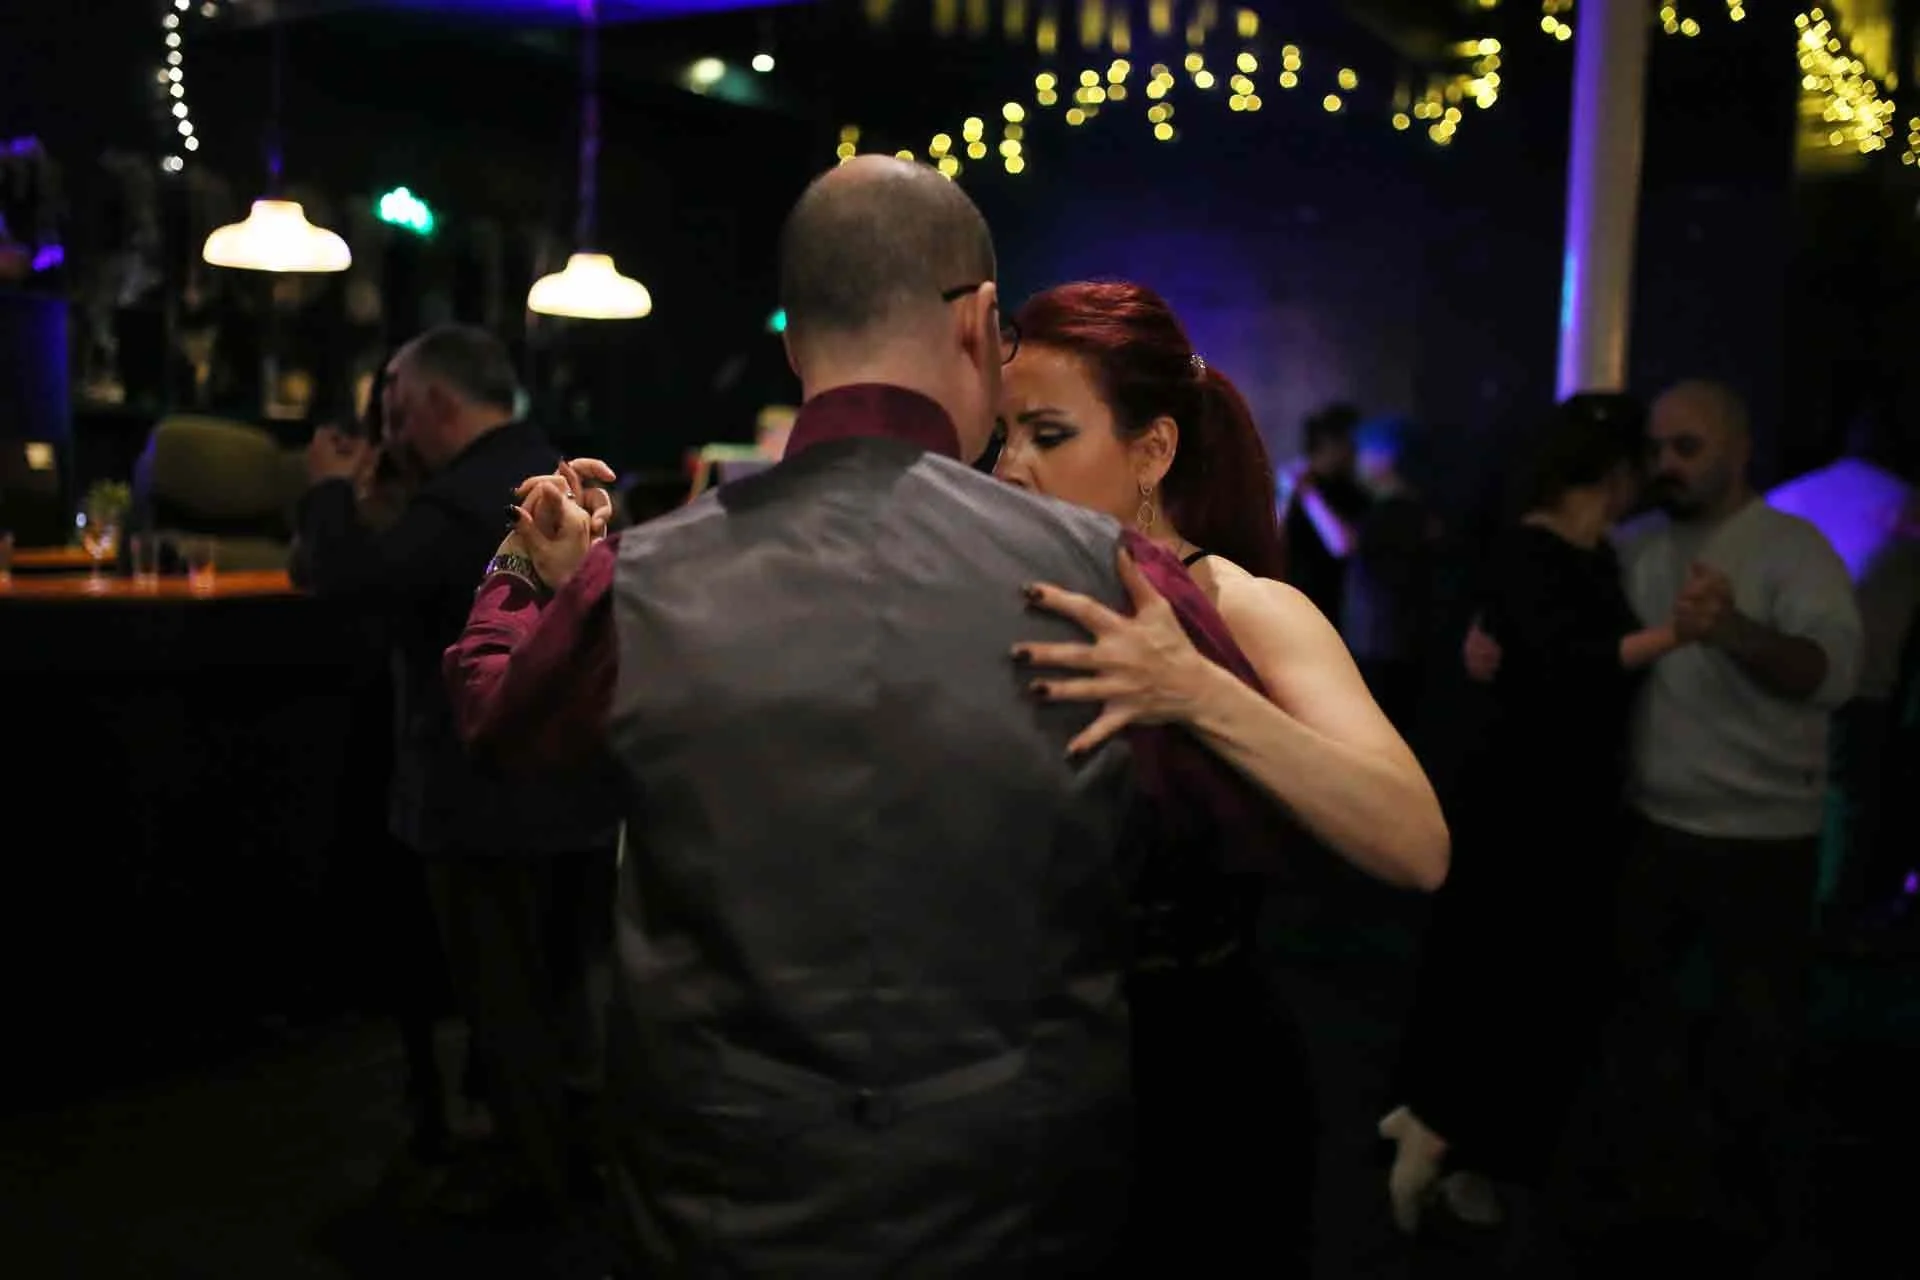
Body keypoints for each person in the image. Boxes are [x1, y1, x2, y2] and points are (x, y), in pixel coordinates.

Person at [441, 157, 1290, 1276]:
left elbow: (504, 733)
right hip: (1016, 1193)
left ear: (796, 345)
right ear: (983, 323)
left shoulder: (645, 579)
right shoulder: (1109, 578)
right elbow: (1238, 828)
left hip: (717, 1192)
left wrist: (522, 573)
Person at [991, 279, 1449, 1269]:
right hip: (1024, 1073)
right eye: (1000, 437)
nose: (1012, 469)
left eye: (1048, 434)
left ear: (1151, 450)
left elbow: (1415, 844)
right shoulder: (996, 597)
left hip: (1195, 1079)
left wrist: (1196, 690)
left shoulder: (1245, 607)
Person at [1463, 380, 1863, 1250]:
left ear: (1740, 448)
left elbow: (1832, 674)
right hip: (1646, 827)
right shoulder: (1633, 546)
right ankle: (1644, 1221)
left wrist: (1735, 632)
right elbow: (1565, 640)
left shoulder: (1793, 549)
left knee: (1753, 1051)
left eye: (1689, 448)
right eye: (1657, 451)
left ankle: (1748, 1229)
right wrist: (1491, 646)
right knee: (1640, 1042)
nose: (1667, 466)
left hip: (1762, 843)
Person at [295, 325, 619, 1233]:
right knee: (569, 1009)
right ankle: (569, 1188)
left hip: (483, 800)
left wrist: (326, 488)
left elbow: (335, 578)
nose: (383, 423)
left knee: (507, 1011)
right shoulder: (555, 471)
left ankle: (534, 1207)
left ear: (433, 401)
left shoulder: (459, 503)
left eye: (392, 400)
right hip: (580, 796)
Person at [1380, 394, 1673, 1233]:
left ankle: (1457, 1143)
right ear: (1612, 474)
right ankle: (1444, 1135)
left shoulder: (1592, 556)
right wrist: (1681, 637)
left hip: (1562, 807)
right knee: (1512, 980)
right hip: (1528, 812)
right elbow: (1564, 664)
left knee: (1526, 986)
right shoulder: (1532, 553)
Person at [1279, 401, 1371, 621]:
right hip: (1288, 599)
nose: (1357, 453)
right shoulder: (1291, 482)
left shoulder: (1353, 492)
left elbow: (1342, 545)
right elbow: (1273, 535)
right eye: (1352, 445)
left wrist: (1309, 495)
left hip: (1331, 606)